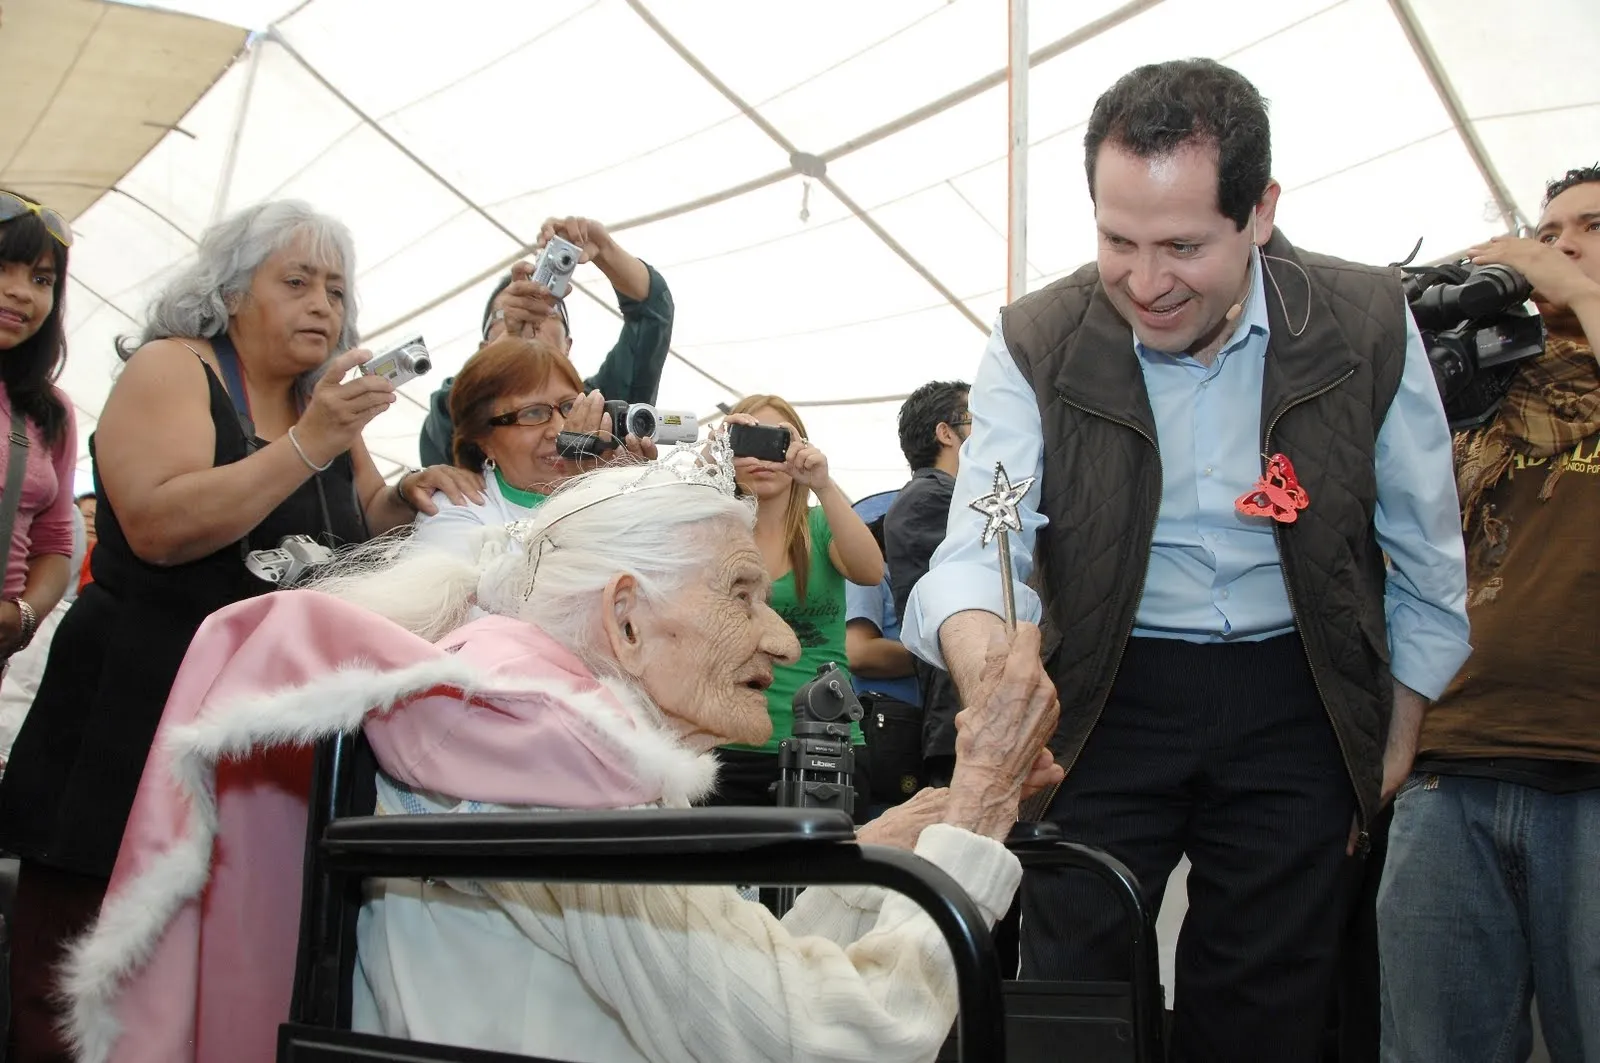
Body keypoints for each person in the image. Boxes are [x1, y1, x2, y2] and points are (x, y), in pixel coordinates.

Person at [58, 460, 1064, 1063]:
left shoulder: (493, 719)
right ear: (624, 618)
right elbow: (826, 1044)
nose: (773, 639)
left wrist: (899, 845)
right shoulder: (554, 764)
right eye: (742, 595)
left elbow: (726, 988)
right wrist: (973, 813)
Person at [901, 59, 1471, 1061]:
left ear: (1258, 210)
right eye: (1117, 241)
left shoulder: (1364, 323)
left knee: (1266, 1002)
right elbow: (986, 537)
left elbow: (1423, 547)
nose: (1147, 282)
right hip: (1099, 698)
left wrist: (1397, 727)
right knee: (1075, 987)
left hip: (1295, 697)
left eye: (1182, 246)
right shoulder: (1038, 340)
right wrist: (993, 664)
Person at [0, 199, 479, 1063]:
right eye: (295, 282)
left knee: (214, 967)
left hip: (255, 728)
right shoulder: (172, 369)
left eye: (335, 290)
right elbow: (154, 522)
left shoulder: (316, 400)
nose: (322, 306)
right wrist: (306, 443)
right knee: (75, 972)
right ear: (227, 292)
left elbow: (356, 518)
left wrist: (404, 499)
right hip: (131, 712)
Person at [1377, 165, 1600, 1063]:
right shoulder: (1484, 396)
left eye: (1590, 225)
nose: (1560, 245)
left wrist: (1575, 289)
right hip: (1450, 768)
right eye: (1546, 235)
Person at [707, 396, 884, 814]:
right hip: (724, 742)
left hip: (824, 743)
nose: (763, 458)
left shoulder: (821, 527)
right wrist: (704, 471)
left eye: (779, 442)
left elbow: (870, 570)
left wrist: (822, 483)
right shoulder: (709, 532)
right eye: (747, 440)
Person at [419, 216, 674, 468]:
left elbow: (651, 318)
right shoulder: (453, 416)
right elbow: (447, 423)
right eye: (506, 315)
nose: (533, 319)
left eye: (549, 310)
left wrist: (604, 249)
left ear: (568, 346)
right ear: (485, 349)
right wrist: (510, 349)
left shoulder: (600, 404)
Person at [410, 335, 655, 558]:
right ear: (484, 440)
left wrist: (631, 498)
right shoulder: (455, 511)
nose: (559, 430)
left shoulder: (617, 488)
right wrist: (589, 503)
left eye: (569, 407)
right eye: (533, 413)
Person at [0, 191, 78, 682]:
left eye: (41, 279)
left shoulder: (50, 411)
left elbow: (54, 540)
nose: (22, 292)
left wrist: (23, 616)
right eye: (3, 267)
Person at [882, 380, 969, 786]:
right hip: (960, 713)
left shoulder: (940, 497)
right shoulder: (932, 500)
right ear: (946, 432)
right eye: (979, 419)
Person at [844, 511, 923, 812]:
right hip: (885, 729)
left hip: (908, 729)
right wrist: (938, 655)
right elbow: (859, 652)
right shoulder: (871, 575)